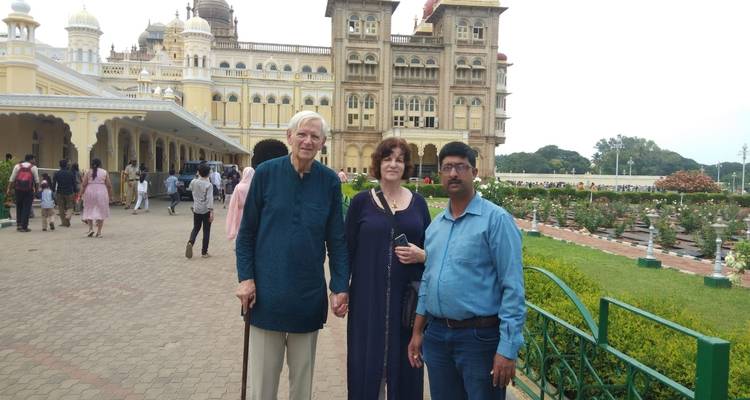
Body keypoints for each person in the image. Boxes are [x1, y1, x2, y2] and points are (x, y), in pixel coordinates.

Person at [235, 110, 349, 400]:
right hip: (265, 298)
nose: (307, 141)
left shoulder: (329, 183)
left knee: (302, 387)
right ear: (289, 137)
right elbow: (246, 234)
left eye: (315, 136)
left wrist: (339, 286)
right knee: (263, 388)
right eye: (302, 134)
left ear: (323, 142)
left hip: (307, 300)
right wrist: (246, 278)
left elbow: (337, 240)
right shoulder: (266, 174)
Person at [407, 142, 526, 400]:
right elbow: (428, 281)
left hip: (478, 339)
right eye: (447, 167)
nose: (453, 173)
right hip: (437, 337)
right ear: (439, 174)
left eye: (460, 167)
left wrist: (507, 349)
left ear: (474, 172)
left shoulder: (496, 220)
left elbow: (513, 287)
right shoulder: (436, 226)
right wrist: (418, 332)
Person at [346, 138, 431, 400]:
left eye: (399, 159)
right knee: (366, 365)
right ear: (378, 163)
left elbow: (433, 251)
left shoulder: (418, 204)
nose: (393, 164)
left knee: (404, 365)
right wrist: (339, 289)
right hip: (367, 299)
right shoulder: (361, 202)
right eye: (387, 158)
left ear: (406, 165)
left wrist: (422, 255)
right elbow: (345, 249)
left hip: (406, 304)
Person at [185, 163, 214, 259]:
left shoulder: (193, 182)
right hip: (206, 210)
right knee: (206, 230)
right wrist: (211, 212)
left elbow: (190, 189)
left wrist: (197, 176)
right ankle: (204, 252)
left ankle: (190, 242)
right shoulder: (209, 185)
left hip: (196, 208)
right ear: (208, 173)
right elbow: (209, 199)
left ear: (199, 172)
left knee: (196, 228)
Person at [5, 154, 40, 232]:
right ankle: (24, 226)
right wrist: (37, 191)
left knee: (19, 207)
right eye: (34, 159)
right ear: (31, 159)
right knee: (26, 208)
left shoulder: (17, 166)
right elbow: (37, 181)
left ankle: (19, 225)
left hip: (18, 190)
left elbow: (12, 179)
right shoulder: (33, 167)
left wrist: (9, 189)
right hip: (28, 190)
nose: (34, 161)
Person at [81, 158, 113, 238]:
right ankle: (99, 232)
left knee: (89, 209)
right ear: (100, 164)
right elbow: (109, 185)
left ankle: (91, 229)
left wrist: (81, 193)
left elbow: (84, 184)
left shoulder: (88, 172)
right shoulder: (104, 172)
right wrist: (110, 195)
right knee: (101, 211)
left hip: (90, 191)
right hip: (101, 192)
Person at [225, 167, 254, 241]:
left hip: (240, 212)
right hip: (253, 211)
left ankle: (240, 243)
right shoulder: (255, 186)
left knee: (240, 229)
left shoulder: (239, 187)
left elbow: (233, 203)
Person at [53, 159, 77, 227]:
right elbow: (74, 184)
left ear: (59, 165)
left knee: (61, 208)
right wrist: (75, 191)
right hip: (69, 192)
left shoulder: (57, 173)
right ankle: (68, 216)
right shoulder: (71, 173)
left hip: (60, 192)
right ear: (66, 165)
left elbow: (54, 184)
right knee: (70, 206)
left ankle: (64, 223)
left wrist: (53, 191)